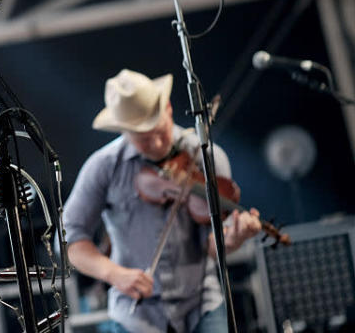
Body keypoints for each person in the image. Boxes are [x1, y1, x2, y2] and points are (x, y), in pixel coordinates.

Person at [64, 69, 262, 333]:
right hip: (135, 314)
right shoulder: (103, 167)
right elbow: (70, 241)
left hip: (201, 305)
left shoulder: (206, 157)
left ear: (167, 108)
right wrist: (114, 274)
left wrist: (232, 240)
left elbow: (211, 248)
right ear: (123, 130)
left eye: (160, 132)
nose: (157, 144)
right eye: (143, 140)